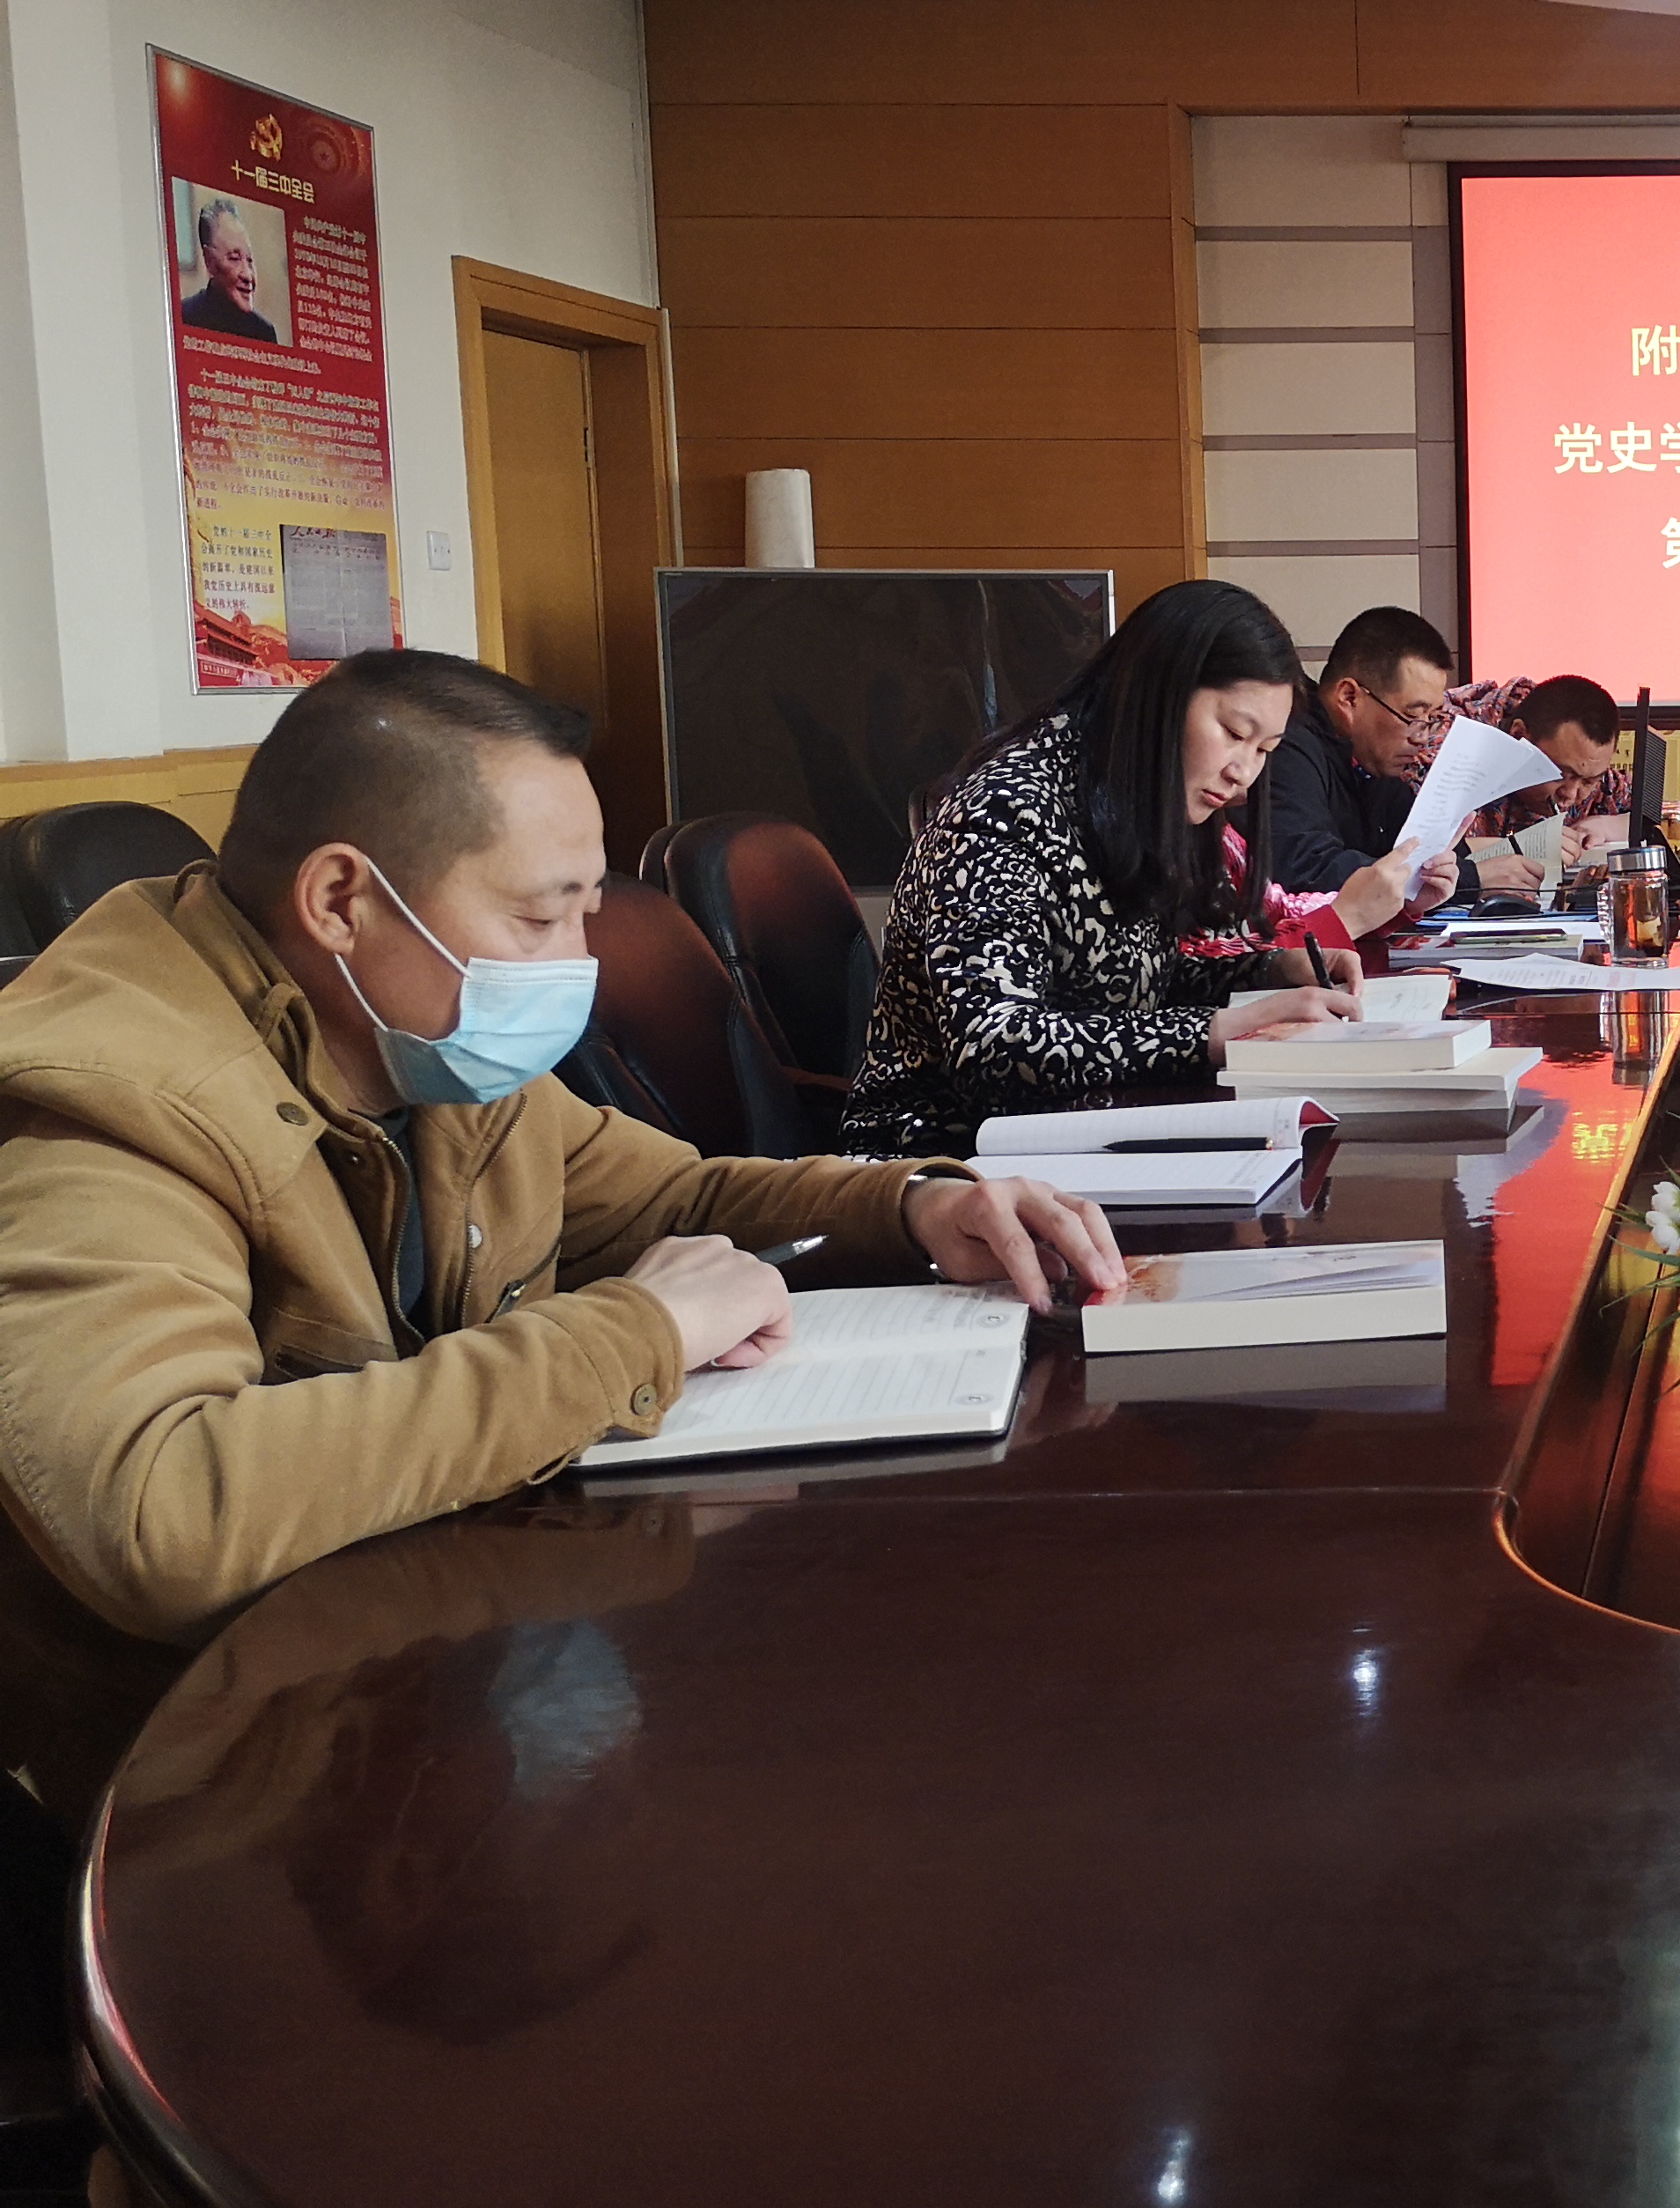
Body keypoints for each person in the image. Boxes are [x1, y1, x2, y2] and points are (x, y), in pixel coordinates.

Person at [0, 650, 1124, 1642]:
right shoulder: (104, 1103)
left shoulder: (414, 1041)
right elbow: (155, 1511)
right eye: (539, 918)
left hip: (431, 1616)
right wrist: (636, 1333)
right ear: (342, 900)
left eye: (587, 908)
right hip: (208, 1748)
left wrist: (915, 1206)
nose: (576, 962)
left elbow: (669, 1200)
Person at [848, 580, 1428, 1159]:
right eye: (1233, 734)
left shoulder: (1138, 798)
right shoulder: (1004, 809)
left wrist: (1272, 970)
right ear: (1159, 698)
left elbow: (1138, 980)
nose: (1243, 773)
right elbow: (994, 1049)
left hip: (1084, 1130)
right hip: (945, 1162)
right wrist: (1213, 1032)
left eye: (1264, 750)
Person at [1265, 604, 1485, 912]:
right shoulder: (1288, 744)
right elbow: (1304, 867)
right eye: (1412, 716)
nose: (1421, 738)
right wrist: (1474, 879)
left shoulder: (1374, 762)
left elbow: (1424, 850)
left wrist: (1451, 869)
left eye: (1432, 719)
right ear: (1349, 697)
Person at [1404, 671, 1632, 897]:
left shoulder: (1584, 766)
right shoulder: (1444, 746)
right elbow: (1409, 853)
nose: (1570, 794)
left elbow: (1646, 814)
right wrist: (1519, 848)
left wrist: (1608, 826)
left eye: (1589, 781)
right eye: (1559, 774)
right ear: (1519, 736)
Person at [178, 196, 278, 343]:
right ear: (209, 261)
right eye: (234, 258)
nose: (248, 275)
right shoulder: (184, 317)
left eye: (249, 260)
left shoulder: (264, 332)